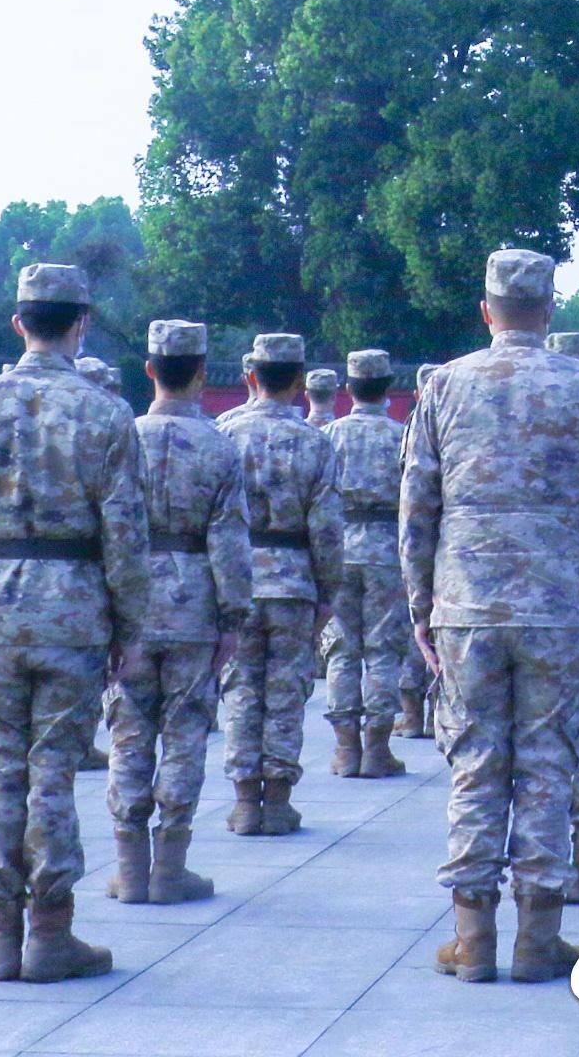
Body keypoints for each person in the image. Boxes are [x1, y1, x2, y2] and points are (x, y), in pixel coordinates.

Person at [401, 247, 579, 986]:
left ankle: (473, 938)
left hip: (466, 602)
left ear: (486, 310)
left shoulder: (443, 385)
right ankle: (539, 934)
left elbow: (417, 505)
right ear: (549, 309)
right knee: (547, 766)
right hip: (559, 602)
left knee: (475, 763)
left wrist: (420, 602)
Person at [0, 263, 151, 983]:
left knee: (2, 773)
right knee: (53, 773)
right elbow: (125, 533)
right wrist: (127, 621)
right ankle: (50, 933)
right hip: (74, 609)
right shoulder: (106, 413)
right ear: (80, 323)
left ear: (19, 323)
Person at [110, 320, 248, 905]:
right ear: (200, 373)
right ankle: (170, 865)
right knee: (186, 733)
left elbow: (110, 529)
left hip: (133, 602)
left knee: (127, 732)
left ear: (150, 370)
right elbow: (230, 540)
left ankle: (129, 866)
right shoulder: (219, 444)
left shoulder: (120, 438)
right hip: (195, 604)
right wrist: (233, 617)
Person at [217, 332, 342, 838]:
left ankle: (245, 800)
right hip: (293, 581)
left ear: (251, 377)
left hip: (239, 577)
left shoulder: (225, 433)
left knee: (242, 690)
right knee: (287, 693)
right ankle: (279, 799)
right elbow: (328, 527)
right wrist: (328, 591)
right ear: (298, 381)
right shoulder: (316, 442)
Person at [322, 347, 414, 779]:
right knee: (383, 650)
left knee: (341, 648)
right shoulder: (403, 436)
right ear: (389, 389)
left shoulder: (329, 436)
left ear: (347, 389)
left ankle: (345, 749)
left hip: (339, 546)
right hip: (387, 551)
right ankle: (377, 748)